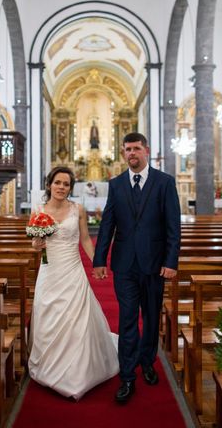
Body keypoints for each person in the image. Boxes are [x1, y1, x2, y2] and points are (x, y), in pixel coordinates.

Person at [93, 132, 181, 404]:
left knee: (152, 318)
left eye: (136, 148)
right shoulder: (116, 184)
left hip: (155, 265)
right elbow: (107, 224)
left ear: (146, 150)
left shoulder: (164, 182)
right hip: (125, 264)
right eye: (127, 149)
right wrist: (99, 260)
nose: (131, 153)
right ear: (123, 153)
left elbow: (173, 226)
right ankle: (128, 376)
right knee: (128, 319)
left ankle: (147, 361)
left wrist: (170, 261)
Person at [28, 166, 119, 399]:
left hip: (72, 269)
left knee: (76, 318)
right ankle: (51, 365)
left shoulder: (77, 209)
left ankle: (79, 370)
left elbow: (86, 239)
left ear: (71, 187)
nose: (61, 187)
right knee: (50, 313)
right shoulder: (38, 210)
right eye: (57, 182)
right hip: (49, 271)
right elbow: (35, 245)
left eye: (66, 184)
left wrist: (98, 263)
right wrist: (36, 245)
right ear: (49, 184)